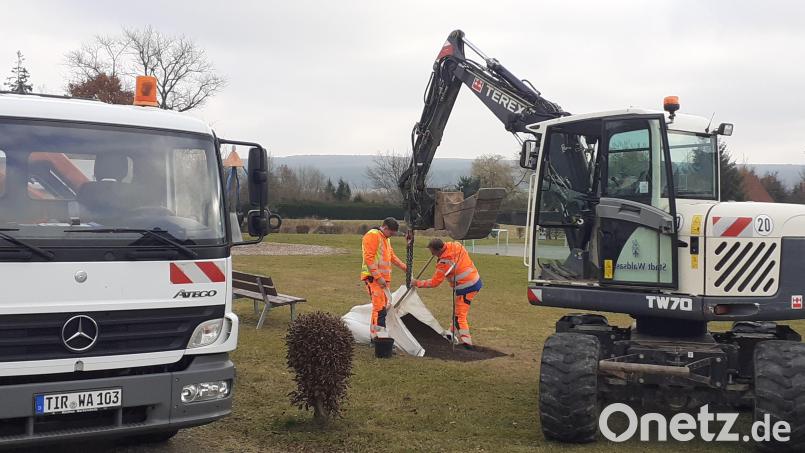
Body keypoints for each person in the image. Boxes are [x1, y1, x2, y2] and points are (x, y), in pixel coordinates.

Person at [412, 238, 481, 349]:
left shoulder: (444, 262)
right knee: (457, 313)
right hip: (474, 280)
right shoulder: (455, 245)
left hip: (466, 287)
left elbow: (435, 282)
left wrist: (417, 283)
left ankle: (468, 345)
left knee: (459, 317)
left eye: (433, 253)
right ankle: (450, 334)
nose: (433, 255)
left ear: (439, 250)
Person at [360, 217, 408, 340]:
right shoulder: (373, 236)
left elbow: (391, 256)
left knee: (382, 308)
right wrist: (378, 277)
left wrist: (405, 268)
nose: (392, 235)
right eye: (391, 232)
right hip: (374, 279)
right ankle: (379, 338)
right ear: (385, 227)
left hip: (383, 280)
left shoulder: (385, 238)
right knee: (379, 309)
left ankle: (376, 336)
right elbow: (369, 258)